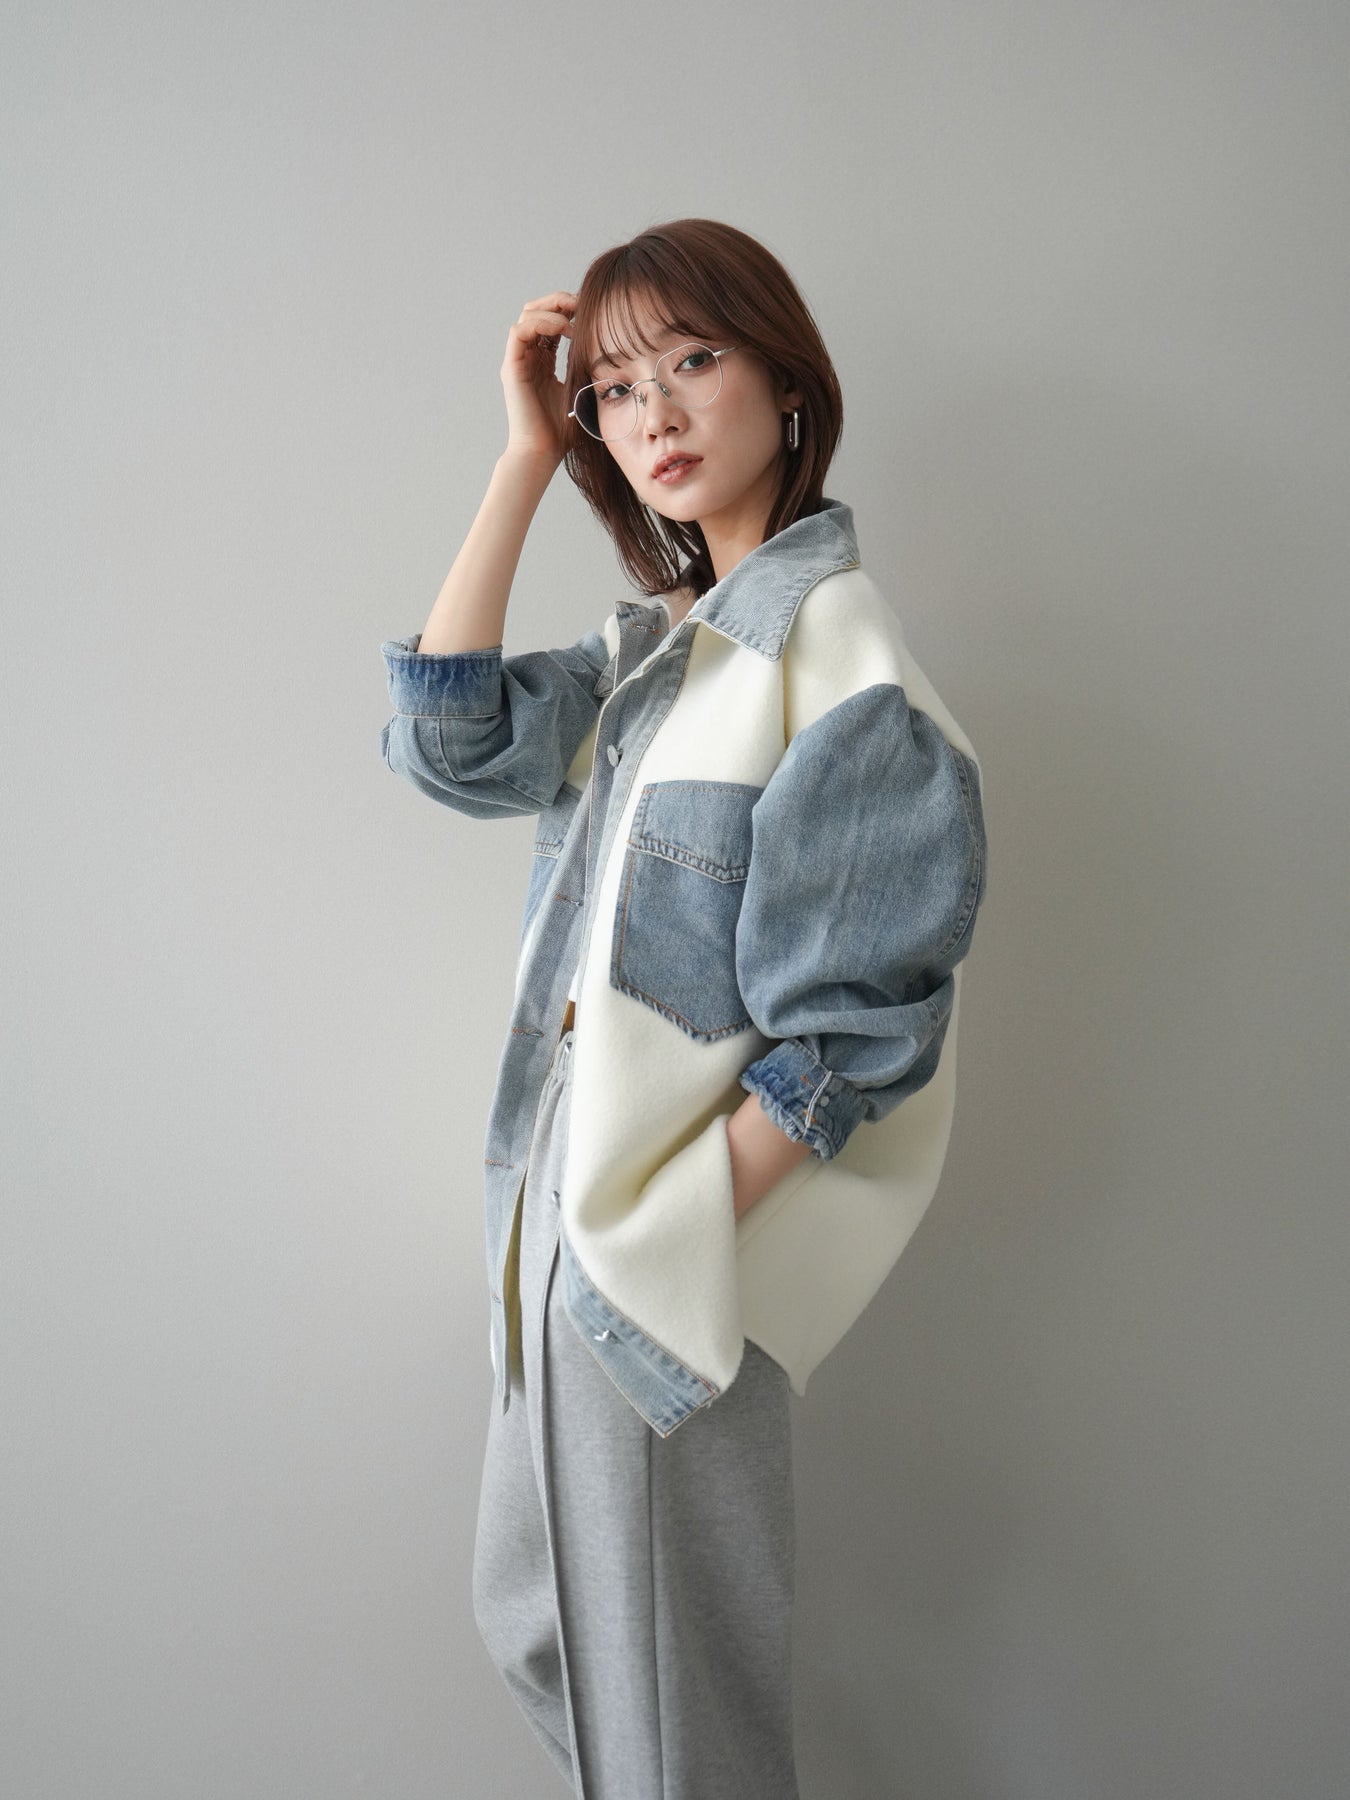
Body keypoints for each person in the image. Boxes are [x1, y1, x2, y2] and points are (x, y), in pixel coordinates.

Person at [379, 218, 988, 1799]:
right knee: (543, 1633)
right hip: (556, 1227)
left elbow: (852, 1037)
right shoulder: (655, 657)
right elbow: (451, 742)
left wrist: (666, 1236)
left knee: (672, 1725)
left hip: (652, 1258)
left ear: (786, 382)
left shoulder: (837, 662)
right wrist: (525, 460)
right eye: (612, 389)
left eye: (693, 361)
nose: (650, 413)